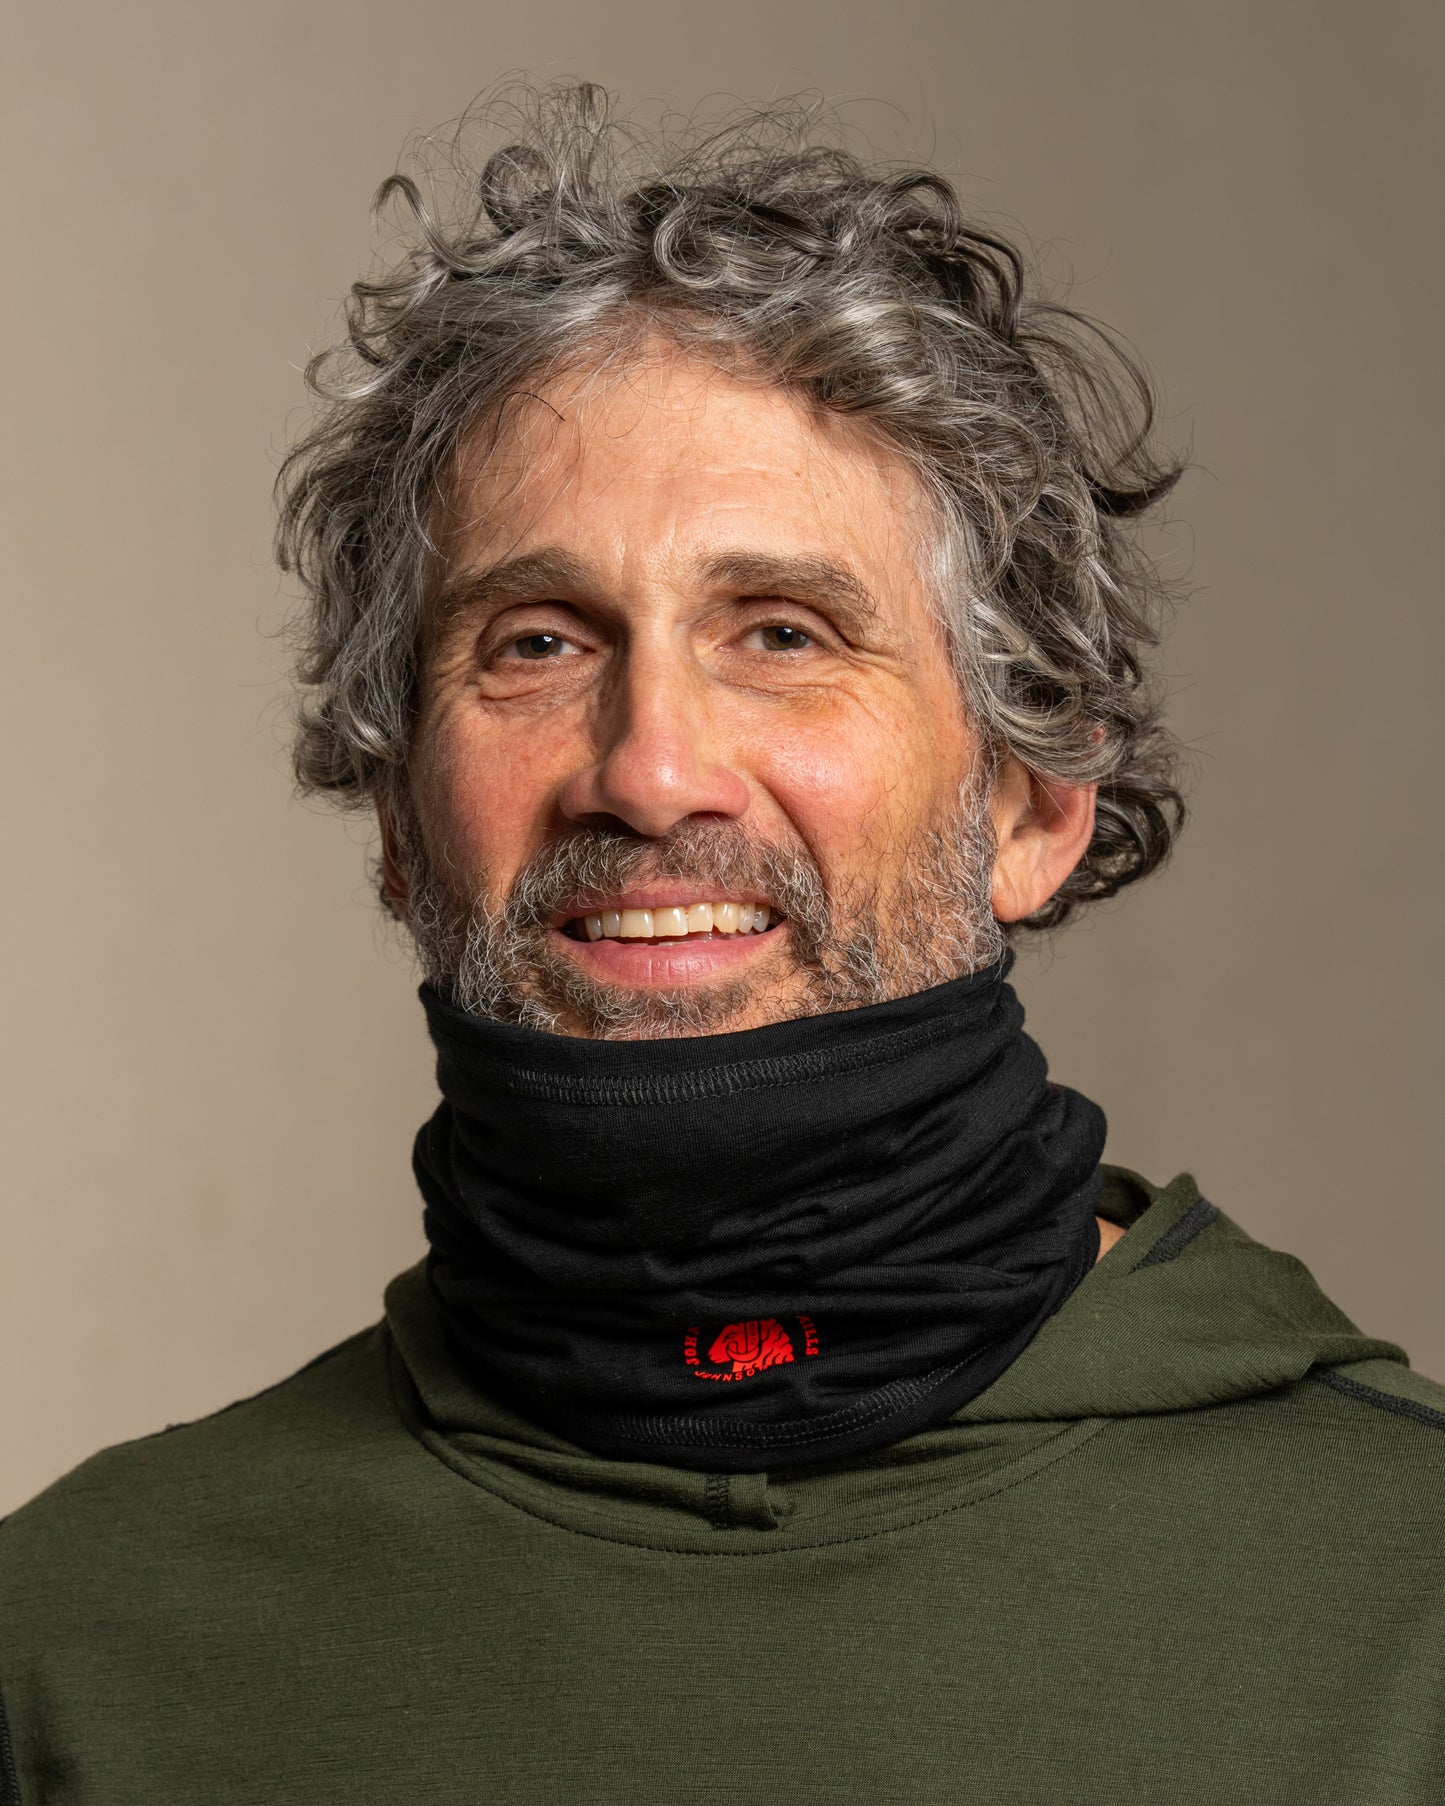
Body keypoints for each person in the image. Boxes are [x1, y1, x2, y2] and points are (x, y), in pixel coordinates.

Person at [2, 80, 1441, 1806]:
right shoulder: (74, 1652)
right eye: (534, 642)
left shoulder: (1407, 1600)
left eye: (780, 630)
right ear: (395, 817)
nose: (649, 767)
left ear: (1031, 808)